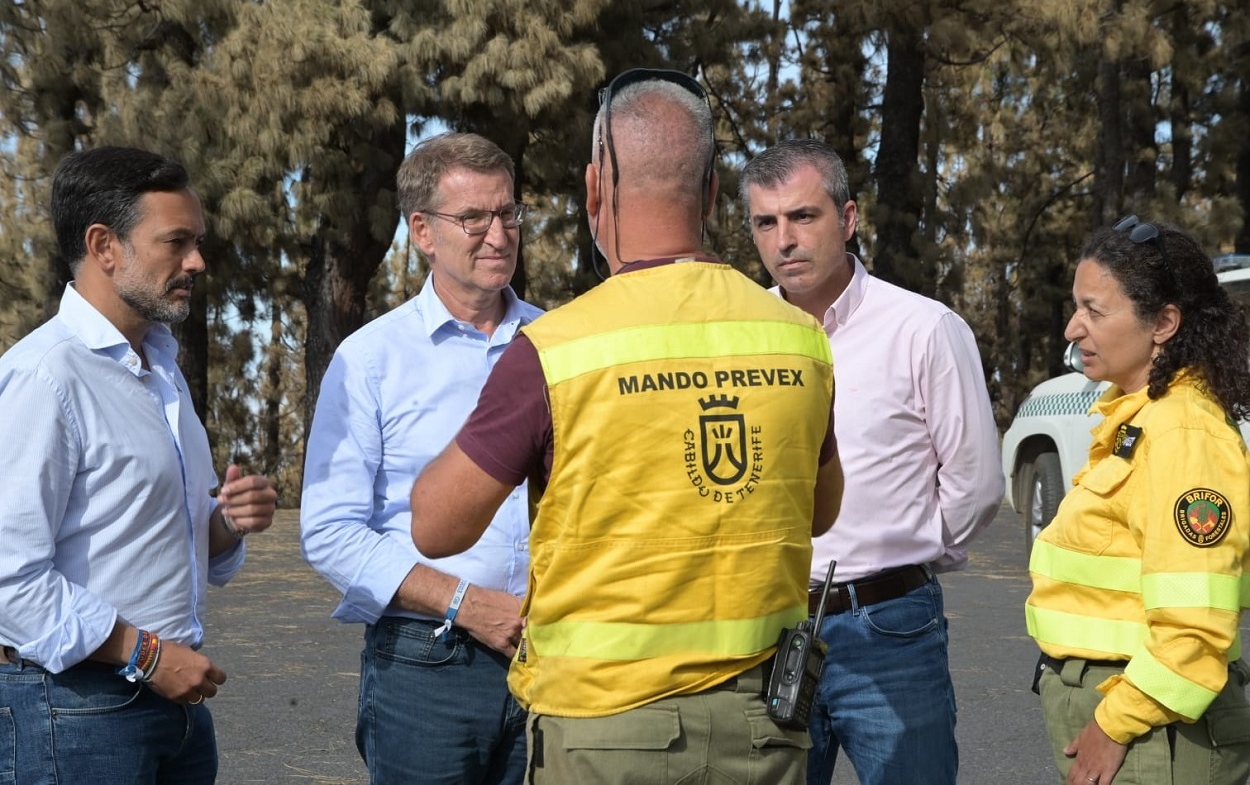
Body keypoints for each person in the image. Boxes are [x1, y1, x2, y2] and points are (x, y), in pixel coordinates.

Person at [409, 69, 844, 785]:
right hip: (761, 729)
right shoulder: (799, 338)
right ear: (710, 192)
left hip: (604, 733)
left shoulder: (556, 349)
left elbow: (436, 525)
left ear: (594, 188)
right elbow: (822, 509)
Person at [0, 145, 278, 784]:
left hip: (168, 707)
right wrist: (147, 656)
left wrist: (228, 522)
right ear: (104, 246)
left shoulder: (159, 370)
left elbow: (153, 536)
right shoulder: (46, 377)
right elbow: (10, 581)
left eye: (197, 241)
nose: (197, 261)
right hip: (72, 713)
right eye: (176, 242)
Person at [740, 138, 1005, 785]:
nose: (785, 240)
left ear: (849, 217)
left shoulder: (924, 328)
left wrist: (904, 552)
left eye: (804, 216)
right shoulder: (737, 338)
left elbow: (976, 483)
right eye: (765, 222)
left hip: (890, 626)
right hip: (767, 630)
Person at [300, 132, 540, 784]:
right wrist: (463, 601)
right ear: (423, 232)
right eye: (474, 218)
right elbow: (329, 530)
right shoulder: (371, 359)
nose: (499, 234)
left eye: (509, 213)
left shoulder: (559, 345)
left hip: (553, 661)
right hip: (426, 667)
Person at [1026, 216, 1250, 785]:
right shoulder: (1139, 417)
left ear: (1164, 323)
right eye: (1076, 307)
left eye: (1095, 311)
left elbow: (1194, 627)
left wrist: (1114, 725)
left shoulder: (1183, 433)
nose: (1073, 329)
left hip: (1151, 735)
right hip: (1132, 725)